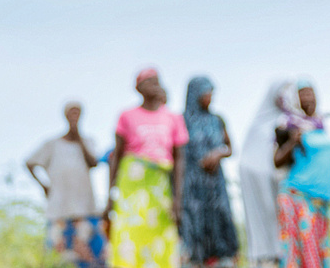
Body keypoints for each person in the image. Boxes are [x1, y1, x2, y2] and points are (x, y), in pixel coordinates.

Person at [106, 68, 189, 268]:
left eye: (157, 80)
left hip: (160, 188)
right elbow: (116, 157)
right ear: (138, 88)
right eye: (148, 80)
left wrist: (178, 199)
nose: (154, 83)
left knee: (161, 236)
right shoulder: (126, 116)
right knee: (131, 234)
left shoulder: (173, 118)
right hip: (131, 188)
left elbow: (179, 161)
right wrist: (109, 195)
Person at [26, 101, 107, 268]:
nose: (74, 116)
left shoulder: (87, 141)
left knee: (93, 258)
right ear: (65, 115)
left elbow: (94, 163)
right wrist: (44, 186)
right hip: (59, 211)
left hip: (85, 209)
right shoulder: (52, 144)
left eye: (77, 113)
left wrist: (78, 137)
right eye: (72, 112)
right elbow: (30, 163)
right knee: (58, 259)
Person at [274, 80, 330, 268]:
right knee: (304, 250)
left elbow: (327, 155)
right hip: (298, 195)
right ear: (296, 99)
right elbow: (277, 160)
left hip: (320, 199)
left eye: (311, 93)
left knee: (319, 249)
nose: (309, 98)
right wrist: (292, 141)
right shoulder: (290, 124)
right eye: (303, 94)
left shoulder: (320, 124)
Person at [181, 76, 239, 267]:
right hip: (191, 185)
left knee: (220, 221)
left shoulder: (217, 120)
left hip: (215, 184)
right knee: (194, 225)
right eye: (206, 92)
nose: (210, 97)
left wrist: (217, 154)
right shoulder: (182, 121)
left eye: (211, 93)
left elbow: (230, 148)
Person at [241, 81, 296, 268]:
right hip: (258, 188)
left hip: (282, 186)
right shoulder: (259, 126)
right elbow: (247, 162)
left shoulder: (291, 122)